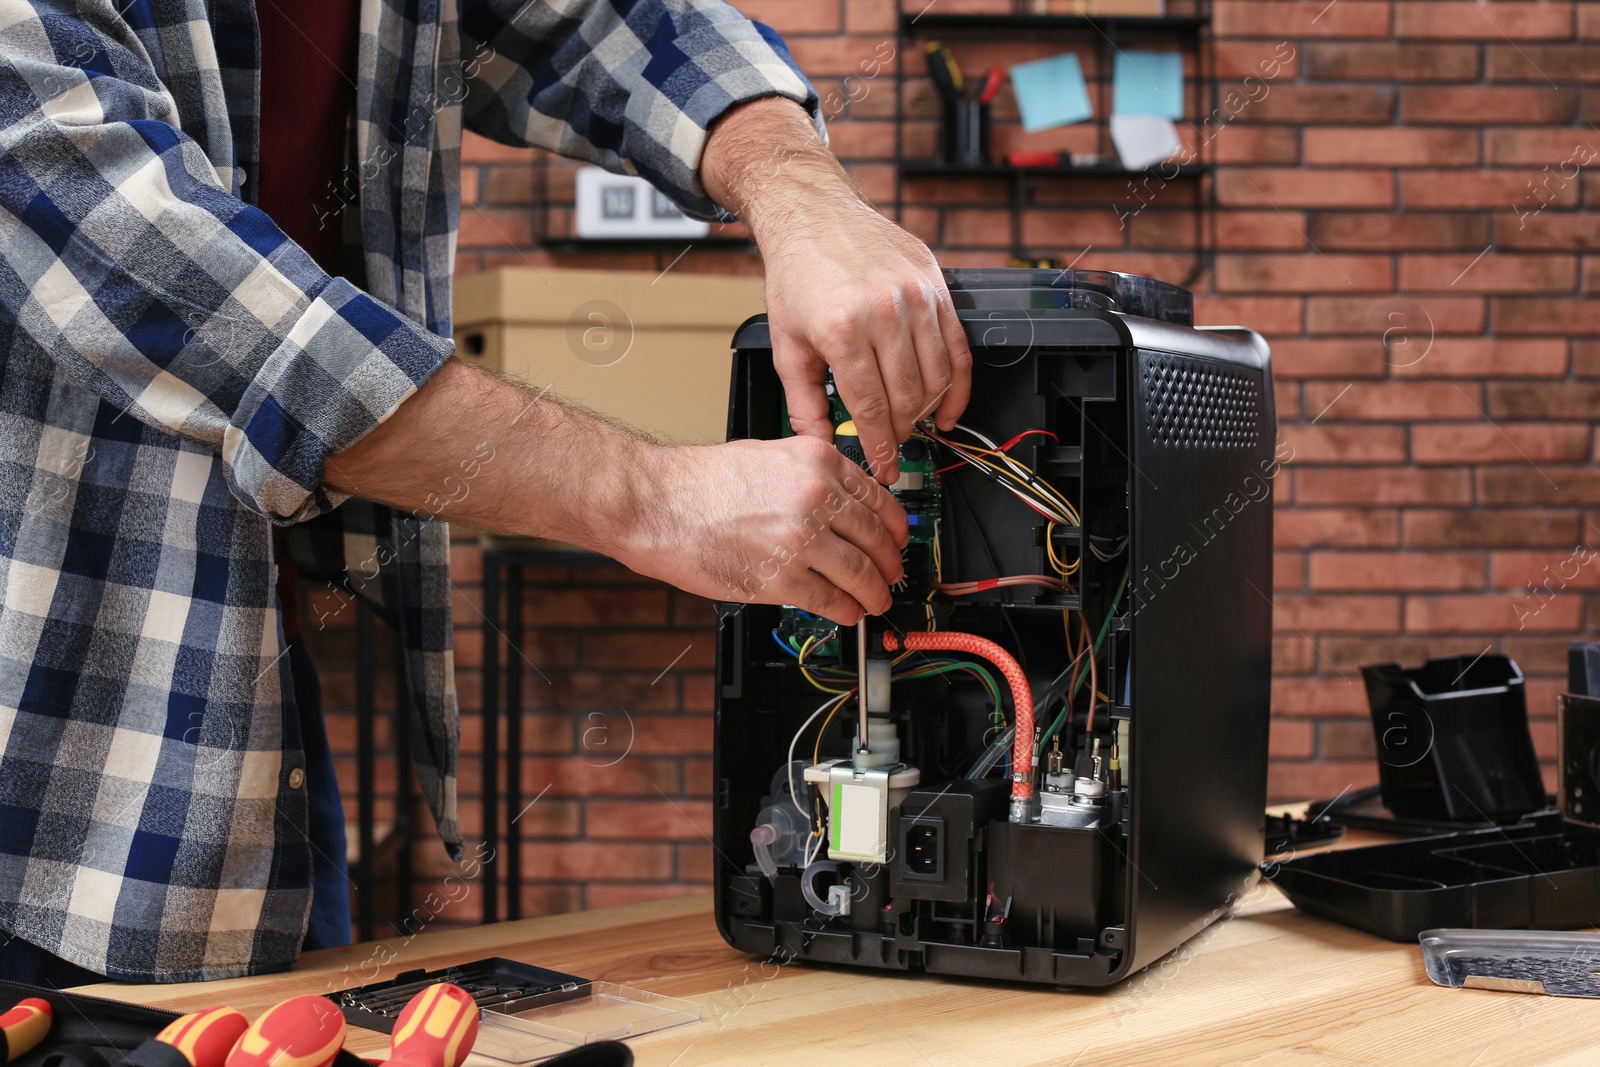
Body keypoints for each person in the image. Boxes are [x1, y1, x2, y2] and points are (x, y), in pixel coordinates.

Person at [0, 0, 972, 984]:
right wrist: (656, 497)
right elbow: (190, 297)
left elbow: (611, 21)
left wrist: (800, 188)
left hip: (247, 702)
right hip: (48, 743)